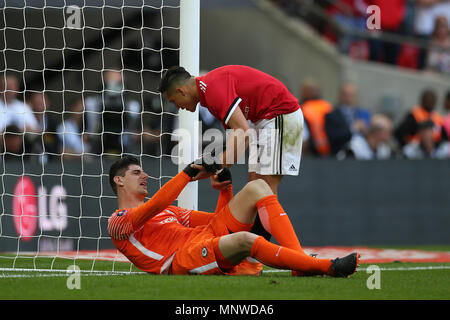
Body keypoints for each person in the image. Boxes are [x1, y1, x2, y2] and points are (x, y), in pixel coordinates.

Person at [107, 155, 359, 277]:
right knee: (245, 240)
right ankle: (326, 267)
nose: (144, 176)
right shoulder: (118, 221)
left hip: (203, 240)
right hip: (181, 260)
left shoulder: (171, 213)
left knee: (258, 187)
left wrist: (224, 189)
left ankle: (299, 264)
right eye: (136, 173)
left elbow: (216, 223)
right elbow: (156, 204)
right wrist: (187, 174)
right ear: (118, 180)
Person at [159, 65, 304, 274]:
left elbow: (242, 133)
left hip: (278, 116)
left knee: (264, 192)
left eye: (174, 101)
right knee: (256, 193)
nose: (178, 107)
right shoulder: (210, 92)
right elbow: (239, 139)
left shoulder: (212, 88)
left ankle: (291, 260)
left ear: (182, 91)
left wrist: (217, 165)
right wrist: (216, 168)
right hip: (263, 121)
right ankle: (255, 262)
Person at [325, 82, 372, 155]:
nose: (350, 98)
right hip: (342, 153)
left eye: (352, 95)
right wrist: (353, 129)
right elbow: (333, 137)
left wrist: (366, 130)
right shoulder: (332, 116)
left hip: (364, 152)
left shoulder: (364, 114)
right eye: (347, 95)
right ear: (340, 95)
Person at [298, 78, 333, 157]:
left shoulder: (326, 106)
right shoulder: (299, 107)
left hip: (328, 147)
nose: (310, 92)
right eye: (307, 89)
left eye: (312, 89)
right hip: (309, 148)